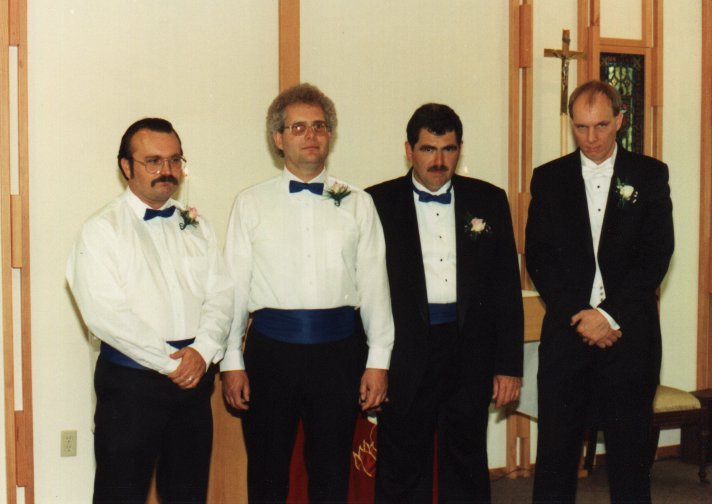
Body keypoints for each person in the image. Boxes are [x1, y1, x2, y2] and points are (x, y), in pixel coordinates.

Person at [221, 83, 394, 503]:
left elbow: (375, 287)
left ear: (330, 134)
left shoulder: (358, 203)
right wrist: (231, 361)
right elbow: (233, 289)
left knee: (332, 473)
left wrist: (378, 361)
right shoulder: (250, 203)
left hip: (339, 353)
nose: (311, 135)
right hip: (270, 353)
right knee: (267, 472)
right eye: (298, 127)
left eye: (319, 126)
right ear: (278, 139)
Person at [66, 118, 233, 504]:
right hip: (131, 386)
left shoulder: (197, 226)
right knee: (120, 495)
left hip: (194, 382)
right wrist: (170, 363)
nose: (167, 171)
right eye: (153, 161)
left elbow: (221, 295)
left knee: (188, 494)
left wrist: (203, 351)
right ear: (126, 166)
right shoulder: (102, 230)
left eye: (175, 160)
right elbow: (106, 313)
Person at [366, 103, 524, 503]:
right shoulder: (376, 203)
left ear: (459, 149)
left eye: (448, 149)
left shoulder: (488, 200)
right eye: (428, 149)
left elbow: (506, 288)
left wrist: (508, 366)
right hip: (406, 350)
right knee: (402, 465)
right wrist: (371, 364)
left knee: (466, 463)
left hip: (468, 349)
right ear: (409, 150)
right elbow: (363, 290)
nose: (439, 160)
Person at [526, 80, 674, 504]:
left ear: (620, 121)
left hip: (628, 336)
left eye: (601, 126)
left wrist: (608, 315)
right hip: (568, 334)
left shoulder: (649, 175)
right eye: (580, 127)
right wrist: (581, 316)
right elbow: (539, 258)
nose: (590, 138)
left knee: (629, 460)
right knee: (555, 457)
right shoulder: (549, 178)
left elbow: (656, 254)